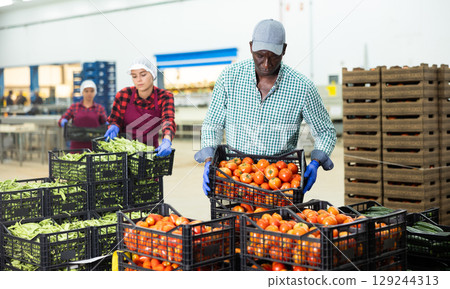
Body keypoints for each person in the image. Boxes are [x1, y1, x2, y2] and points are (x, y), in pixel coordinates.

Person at [195, 19, 337, 196]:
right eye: (260, 55)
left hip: (279, 183)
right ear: (251, 47)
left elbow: (325, 131)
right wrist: (209, 159)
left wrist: (316, 161)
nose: (266, 64)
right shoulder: (229, 78)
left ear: (284, 50)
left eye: (274, 56)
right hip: (234, 178)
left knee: (274, 223)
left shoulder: (302, 87)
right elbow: (212, 124)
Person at [104, 56, 176, 157]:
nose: (139, 80)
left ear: (152, 74)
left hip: (150, 152)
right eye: (134, 76)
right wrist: (114, 125)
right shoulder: (124, 94)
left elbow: (168, 121)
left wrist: (167, 140)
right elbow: (115, 119)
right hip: (125, 153)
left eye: (143, 75)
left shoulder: (164, 97)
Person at [58, 80, 107, 149]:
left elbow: (105, 123)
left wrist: (108, 123)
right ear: (82, 92)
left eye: (92, 91)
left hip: (94, 146)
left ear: (95, 92)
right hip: (76, 146)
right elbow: (61, 120)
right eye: (86, 91)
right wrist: (63, 121)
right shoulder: (74, 107)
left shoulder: (99, 108)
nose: (89, 93)